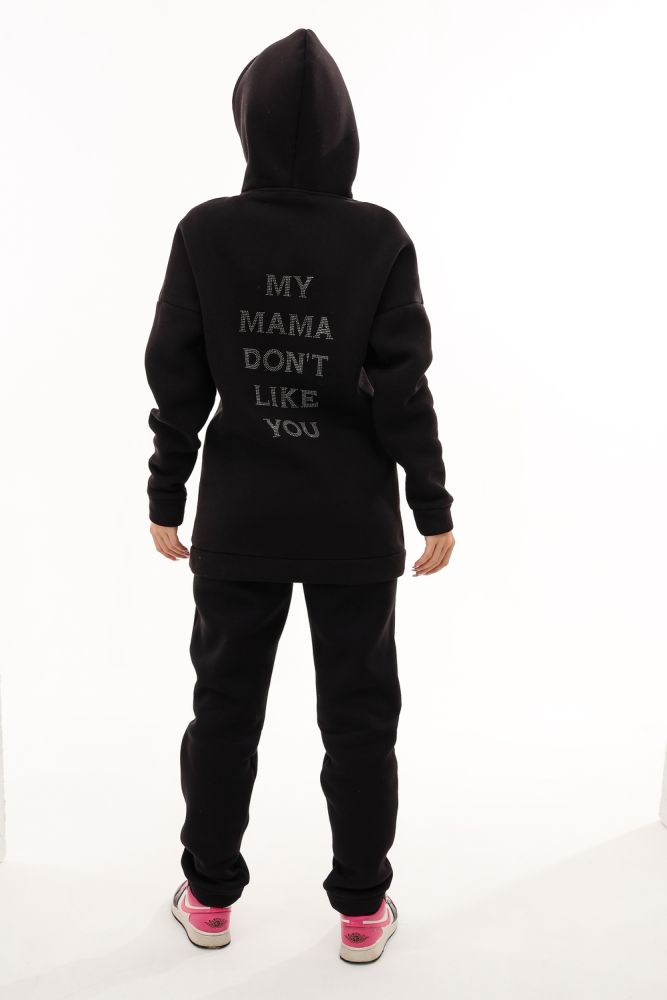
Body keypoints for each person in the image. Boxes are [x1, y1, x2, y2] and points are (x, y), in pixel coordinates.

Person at [144, 26, 455, 964]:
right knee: (359, 718)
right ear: (343, 130)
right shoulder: (377, 237)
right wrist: (430, 503)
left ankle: (207, 898)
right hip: (352, 524)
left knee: (223, 708)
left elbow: (178, 375)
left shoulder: (206, 232)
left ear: (245, 123)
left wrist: (167, 491)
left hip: (239, 517)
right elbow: (402, 389)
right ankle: (362, 910)